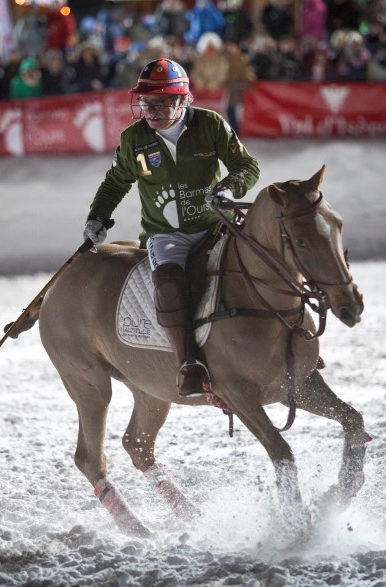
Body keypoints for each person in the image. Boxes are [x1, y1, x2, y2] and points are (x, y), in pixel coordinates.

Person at [82, 58, 260, 397]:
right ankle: (189, 365)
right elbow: (116, 182)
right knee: (168, 283)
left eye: (162, 101)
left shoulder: (211, 124)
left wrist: (229, 187)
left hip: (215, 226)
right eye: (146, 102)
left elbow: (246, 165)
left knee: (264, 259)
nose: (151, 109)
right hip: (166, 234)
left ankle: (290, 335)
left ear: (184, 100)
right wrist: (98, 216)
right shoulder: (133, 139)